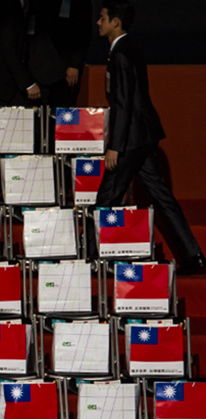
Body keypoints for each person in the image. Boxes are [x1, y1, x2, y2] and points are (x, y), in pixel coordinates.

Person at [95, 0, 205, 273]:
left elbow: (123, 103)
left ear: (115, 22)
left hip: (131, 140)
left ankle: (99, 262)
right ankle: (194, 257)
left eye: (102, 17)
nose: (98, 22)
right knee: (162, 196)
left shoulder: (120, 53)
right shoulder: (129, 48)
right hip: (144, 135)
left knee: (105, 199)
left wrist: (115, 147)